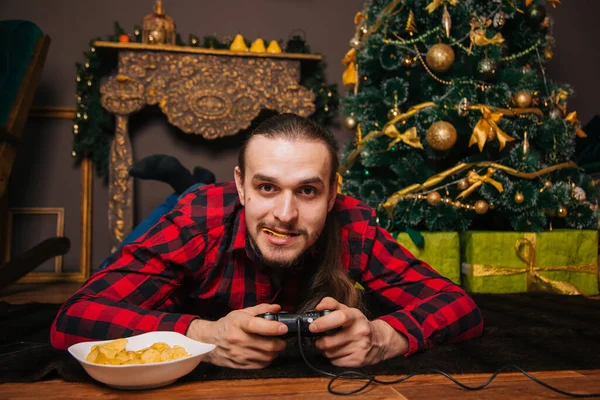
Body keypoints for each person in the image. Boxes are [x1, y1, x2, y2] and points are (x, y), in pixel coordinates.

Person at [51, 113, 483, 369]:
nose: (285, 214)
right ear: (241, 187)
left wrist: (384, 337)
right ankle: (186, 182)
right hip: (193, 210)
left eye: (308, 191)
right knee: (174, 205)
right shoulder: (197, 222)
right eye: (267, 188)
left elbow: (460, 305)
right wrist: (203, 338)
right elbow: (73, 319)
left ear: (334, 193)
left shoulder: (354, 224)